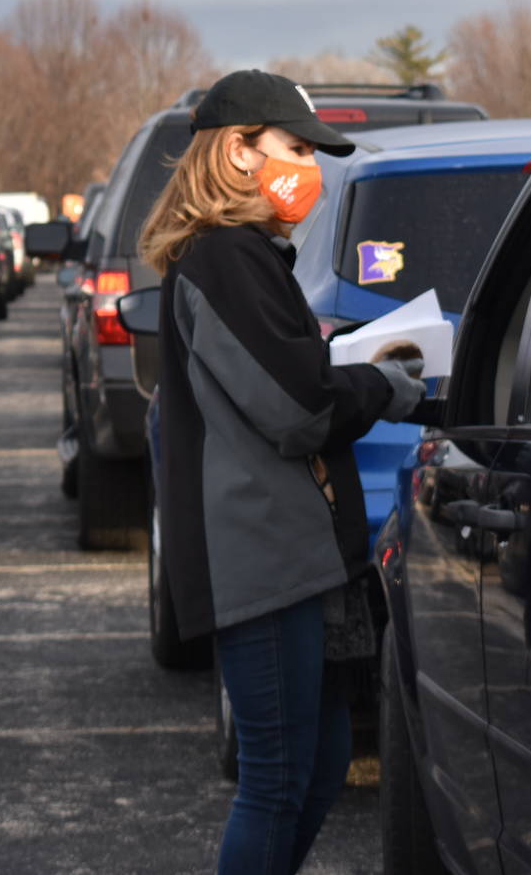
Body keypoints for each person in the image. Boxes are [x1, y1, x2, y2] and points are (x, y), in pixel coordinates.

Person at [138, 70, 425, 875]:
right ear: (236, 151)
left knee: (323, 762)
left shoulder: (252, 258)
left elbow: (284, 377)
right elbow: (294, 406)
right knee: (274, 782)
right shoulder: (224, 258)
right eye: (295, 149)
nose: (310, 168)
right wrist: (383, 385)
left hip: (301, 554)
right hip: (259, 559)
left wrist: (349, 372)